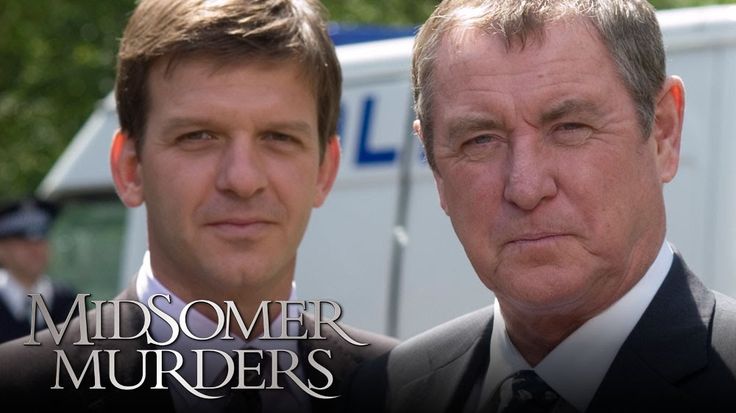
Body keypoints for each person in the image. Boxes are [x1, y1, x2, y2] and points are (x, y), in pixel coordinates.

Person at [0, 0, 396, 411]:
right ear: (131, 168)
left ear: (324, 170)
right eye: (199, 136)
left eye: (278, 137)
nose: (243, 180)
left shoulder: (404, 387)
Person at [349, 0, 736, 412]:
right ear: (436, 169)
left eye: (570, 127)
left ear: (663, 132)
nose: (526, 187)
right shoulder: (382, 393)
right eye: (481, 139)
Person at [0, 197, 77, 343]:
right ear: (2, 249)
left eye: (41, 238)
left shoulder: (67, 300)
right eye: (23, 241)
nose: (35, 249)